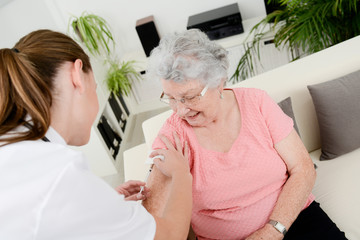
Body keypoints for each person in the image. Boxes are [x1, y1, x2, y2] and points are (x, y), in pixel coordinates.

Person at [142, 29, 348, 240]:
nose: (181, 110)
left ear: (219, 81)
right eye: (171, 98)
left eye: (191, 97)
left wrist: (272, 231)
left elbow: (303, 168)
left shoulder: (256, 102)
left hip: (294, 218)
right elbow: (151, 225)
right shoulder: (173, 137)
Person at [0, 29, 192, 240]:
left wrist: (101, 208)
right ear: (77, 76)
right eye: (95, 87)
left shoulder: (16, 150)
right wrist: (182, 173)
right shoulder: (59, 173)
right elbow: (171, 236)